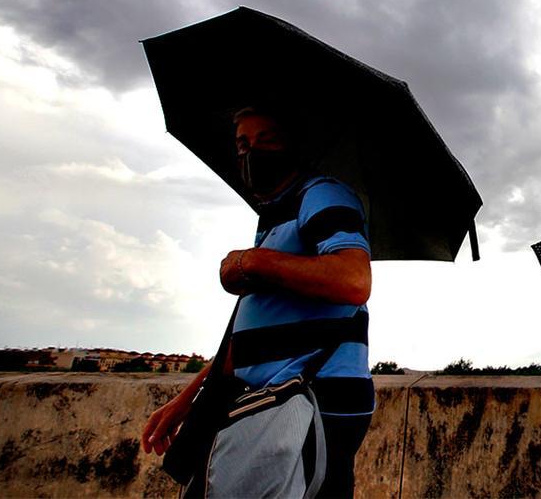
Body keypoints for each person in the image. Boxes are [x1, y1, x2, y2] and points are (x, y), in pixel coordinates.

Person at [141, 106, 375, 498]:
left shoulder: (322, 195)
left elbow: (353, 280)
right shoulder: (274, 217)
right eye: (243, 144)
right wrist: (187, 400)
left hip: (310, 403)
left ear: (295, 145)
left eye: (267, 140)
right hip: (269, 400)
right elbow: (253, 335)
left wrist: (252, 261)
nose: (252, 153)